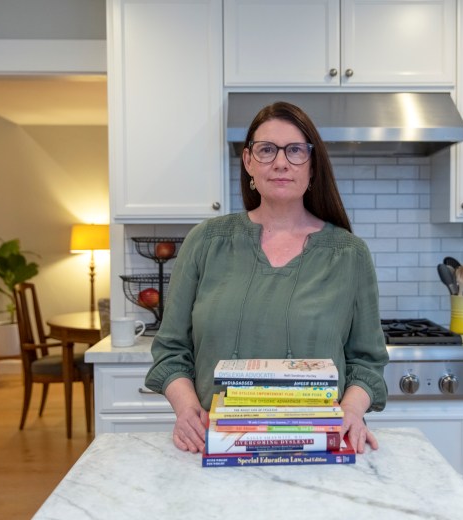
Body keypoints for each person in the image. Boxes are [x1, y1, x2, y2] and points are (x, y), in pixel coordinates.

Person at [145, 101, 389, 455]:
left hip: (319, 446)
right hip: (216, 446)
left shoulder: (349, 254)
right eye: (266, 150)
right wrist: (185, 410)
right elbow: (170, 350)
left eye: (295, 151)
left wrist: (351, 411)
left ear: (312, 165)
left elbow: (367, 362)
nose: (280, 162)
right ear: (248, 162)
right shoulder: (206, 242)